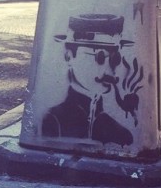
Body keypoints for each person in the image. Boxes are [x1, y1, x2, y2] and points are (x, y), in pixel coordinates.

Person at [41, 13, 135, 147]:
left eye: (114, 59)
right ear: (69, 56)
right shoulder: (52, 121)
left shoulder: (119, 134)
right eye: (100, 58)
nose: (109, 71)